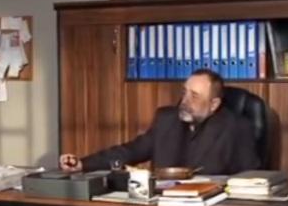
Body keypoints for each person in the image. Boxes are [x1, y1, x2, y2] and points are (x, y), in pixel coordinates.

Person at [60, 69, 259, 175]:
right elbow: (130, 151)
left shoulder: (236, 128)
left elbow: (252, 180)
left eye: (194, 96)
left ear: (214, 104)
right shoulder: (166, 120)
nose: (184, 101)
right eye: (184, 93)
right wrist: (83, 164)